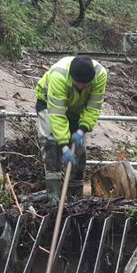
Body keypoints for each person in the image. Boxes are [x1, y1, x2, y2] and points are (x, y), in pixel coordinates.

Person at [34, 54, 107, 198]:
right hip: (49, 103)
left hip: (78, 106)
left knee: (79, 150)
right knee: (51, 142)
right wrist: (64, 146)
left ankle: (74, 193)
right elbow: (57, 114)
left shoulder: (100, 75)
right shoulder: (58, 76)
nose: (81, 86)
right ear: (71, 77)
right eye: (77, 83)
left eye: (85, 84)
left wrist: (82, 129)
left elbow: (93, 107)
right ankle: (53, 193)